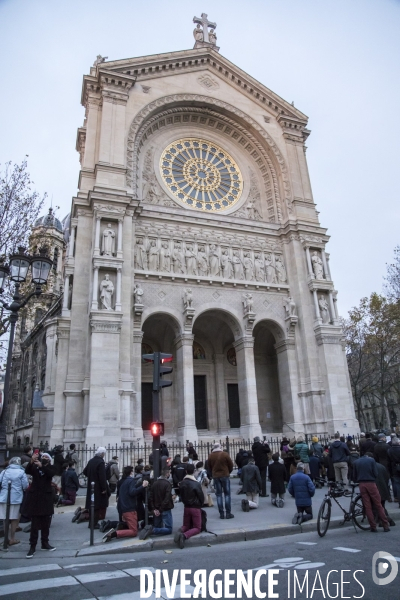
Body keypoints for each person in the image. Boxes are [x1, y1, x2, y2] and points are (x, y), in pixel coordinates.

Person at [104, 465, 149, 542]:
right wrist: (143, 486)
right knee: (134, 531)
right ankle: (114, 534)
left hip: (124, 508)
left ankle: (115, 528)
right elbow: (132, 492)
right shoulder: (130, 481)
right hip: (129, 508)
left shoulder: (122, 482)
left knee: (133, 526)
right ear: (131, 472)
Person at [25, 452, 56, 557]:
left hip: (46, 497)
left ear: (49, 459)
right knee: (35, 523)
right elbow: (27, 471)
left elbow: (50, 474)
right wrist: (32, 461)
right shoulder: (34, 466)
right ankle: (32, 545)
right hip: (36, 497)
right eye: (43, 457)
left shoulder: (51, 467)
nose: (44, 458)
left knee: (45, 522)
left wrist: (42, 466)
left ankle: (45, 543)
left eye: (46, 457)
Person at [353, 453, 390, 532]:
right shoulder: (371, 460)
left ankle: (373, 526)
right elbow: (375, 473)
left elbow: (354, 476)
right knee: (378, 504)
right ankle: (385, 525)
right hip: (371, 483)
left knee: (367, 506)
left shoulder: (356, 462)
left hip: (362, 484)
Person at [0, 457, 29, 546]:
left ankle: (6, 538)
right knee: (14, 518)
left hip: (4, 497)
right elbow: (25, 486)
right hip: (16, 498)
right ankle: (12, 538)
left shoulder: (4, 471)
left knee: (5, 518)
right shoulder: (21, 472)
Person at [175, 463, 204, 548]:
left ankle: (180, 531)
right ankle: (184, 536)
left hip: (186, 506)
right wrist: (200, 504)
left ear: (186, 471)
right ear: (194, 471)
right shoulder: (196, 484)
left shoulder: (182, 483)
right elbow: (201, 497)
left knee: (186, 525)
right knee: (197, 528)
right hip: (195, 507)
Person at [141, 467, 174, 539]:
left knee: (157, 525)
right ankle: (153, 530)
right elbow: (167, 498)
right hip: (164, 509)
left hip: (156, 508)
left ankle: (154, 529)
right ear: (167, 474)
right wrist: (161, 509)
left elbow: (151, 497)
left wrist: (154, 509)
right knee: (169, 529)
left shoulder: (154, 483)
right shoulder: (167, 484)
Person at [83, 447, 110, 528]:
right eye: (104, 454)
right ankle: (94, 524)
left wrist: (91, 476)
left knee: (92, 505)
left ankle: (91, 523)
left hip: (91, 485)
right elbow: (102, 477)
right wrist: (104, 488)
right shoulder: (100, 462)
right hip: (98, 487)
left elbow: (85, 471)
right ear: (102, 454)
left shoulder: (91, 461)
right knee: (97, 506)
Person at [207, 443, 234, 519]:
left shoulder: (211, 455)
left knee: (219, 495)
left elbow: (209, 466)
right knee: (227, 494)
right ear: (220, 447)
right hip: (225, 475)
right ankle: (228, 513)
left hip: (216, 476)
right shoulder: (225, 454)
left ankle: (221, 514)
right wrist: (228, 472)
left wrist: (213, 473)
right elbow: (231, 465)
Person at [387, 437, 400, 505]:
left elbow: (388, 461)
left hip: (394, 468)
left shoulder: (389, 450)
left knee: (396, 484)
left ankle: (397, 498)